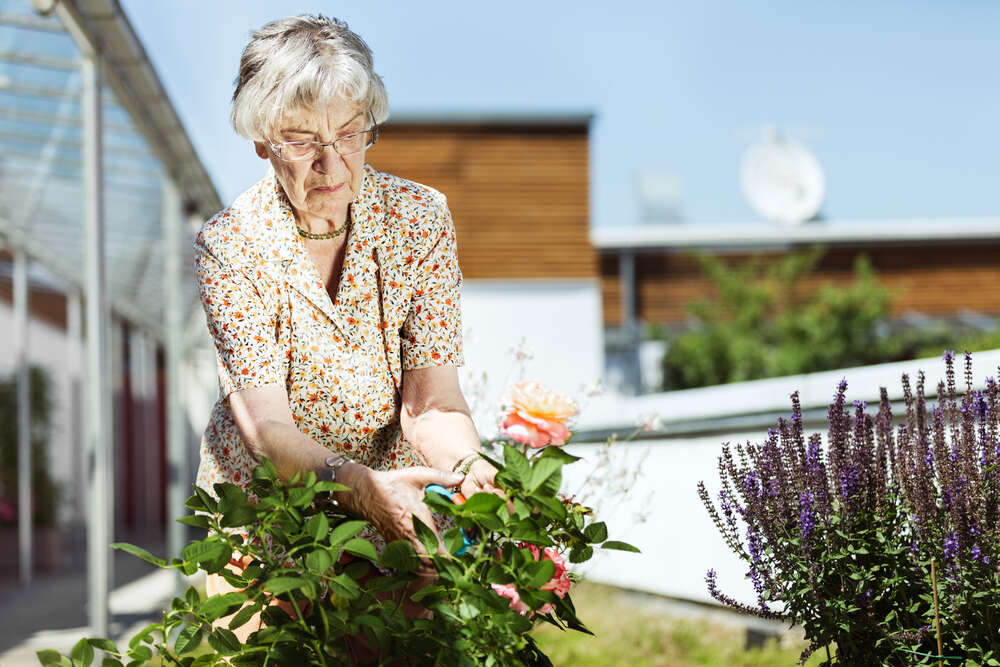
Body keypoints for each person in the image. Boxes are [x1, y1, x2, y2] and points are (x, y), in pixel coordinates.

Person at [193, 13, 495, 642]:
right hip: (271, 525)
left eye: (351, 134)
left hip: (400, 508)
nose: (331, 163)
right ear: (261, 139)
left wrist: (473, 473)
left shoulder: (419, 219)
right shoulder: (232, 245)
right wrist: (355, 486)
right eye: (302, 140)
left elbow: (431, 401)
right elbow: (266, 428)